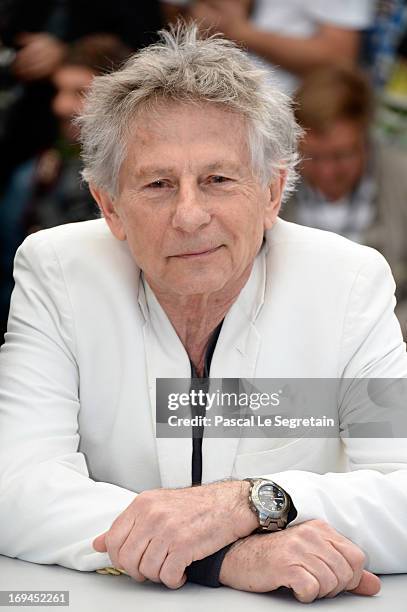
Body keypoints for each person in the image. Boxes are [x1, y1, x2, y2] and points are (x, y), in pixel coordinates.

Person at [0, 24, 406, 603]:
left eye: (218, 179)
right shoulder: (60, 273)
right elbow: (14, 488)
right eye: (159, 184)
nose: (190, 216)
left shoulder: (346, 283)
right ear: (109, 207)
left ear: (271, 192)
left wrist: (250, 502)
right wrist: (223, 555)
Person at [280, 65, 407, 338]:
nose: (327, 172)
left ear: (365, 137)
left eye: (341, 156)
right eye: (312, 157)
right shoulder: (273, 185)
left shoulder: (401, 181)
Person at [163, 0, 374, 93]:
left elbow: (339, 57)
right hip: (205, 94)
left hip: (289, 118)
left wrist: (239, 31)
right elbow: (174, 16)